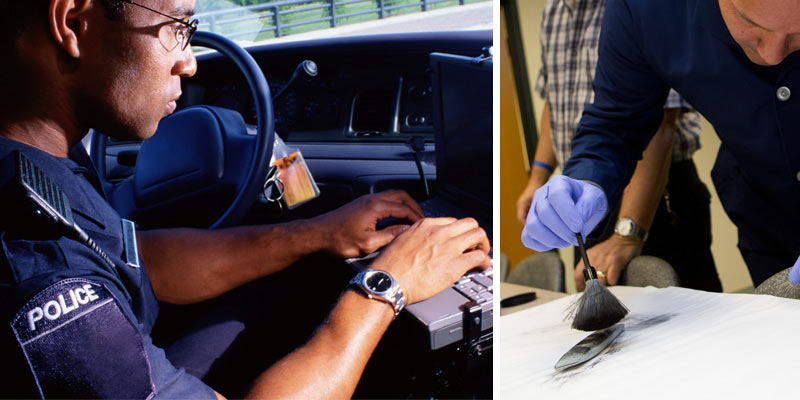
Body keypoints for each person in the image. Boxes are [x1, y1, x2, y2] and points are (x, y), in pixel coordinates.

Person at [0, 0, 491, 398]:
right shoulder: (47, 279)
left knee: (300, 280)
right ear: (74, 22)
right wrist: (386, 287)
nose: (189, 61)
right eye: (177, 27)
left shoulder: (39, 160)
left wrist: (319, 233)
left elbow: (138, 260)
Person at [521, 0, 800, 288]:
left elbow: (666, 126)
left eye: (797, 36)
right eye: (751, 25)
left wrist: (628, 231)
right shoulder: (646, 8)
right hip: (765, 209)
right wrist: (586, 179)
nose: (772, 55)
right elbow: (617, 119)